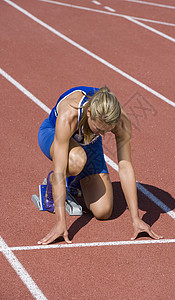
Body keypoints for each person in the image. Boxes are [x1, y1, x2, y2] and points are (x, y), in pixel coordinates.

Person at [37, 86, 162, 245]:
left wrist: (135, 218)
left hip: (88, 142)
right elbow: (60, 171)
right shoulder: (69, 116)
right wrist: (60, 222)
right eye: (99, 129)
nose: (102, 134)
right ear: (89, 113)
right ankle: (51, 185)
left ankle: (76, 181)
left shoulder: (120, 120)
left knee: (103, 211)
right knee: (76, 161)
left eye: (106, 131)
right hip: (52, 134)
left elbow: (125, 167)